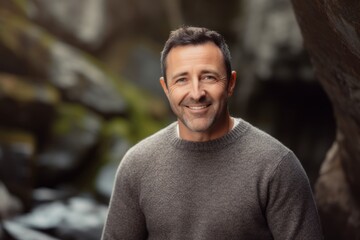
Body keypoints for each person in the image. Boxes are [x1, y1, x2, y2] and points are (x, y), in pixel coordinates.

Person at [101, 26, 323, 240]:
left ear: (231, 84)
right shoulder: (137, 165)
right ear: (166, 89)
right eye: (182, 80)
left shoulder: (276, 166)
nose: (196, 93)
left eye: (208, 77)